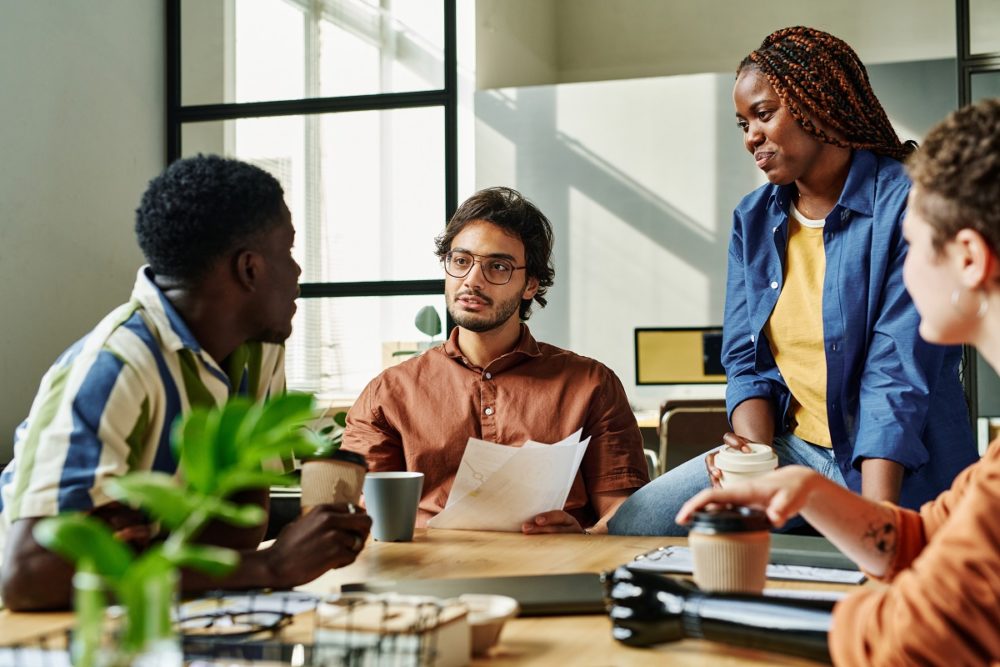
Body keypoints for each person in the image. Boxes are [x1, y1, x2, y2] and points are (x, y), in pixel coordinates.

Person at [610, 26, 977, 536]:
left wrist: (878, 524)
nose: (750, 137)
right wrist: (757, 463)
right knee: (637, 525)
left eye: (764, 114)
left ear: (819, 105)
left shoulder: (906, 204)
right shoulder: (753, 219)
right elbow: (745, 357)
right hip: (794, 450)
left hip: (898, 464)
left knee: (869, 577)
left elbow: (896, 374)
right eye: (742, 123)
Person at [673, 97, 1000, 666]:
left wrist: (693, 614)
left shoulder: (888, 197)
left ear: (968, 258)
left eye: (916, 244)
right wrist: (810, 489)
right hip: (802, 454)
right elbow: (926, 541)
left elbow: (911, 634)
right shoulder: (992, 475)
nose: (903, 262)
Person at [0, 155, 371, 611]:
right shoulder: (114, 368)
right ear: (250, 269)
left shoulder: (258, 351)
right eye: (289, 252)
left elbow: (238, 529)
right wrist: (271, 567)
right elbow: (29, 579)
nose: (297, 274)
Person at [343, 187, 649, 534]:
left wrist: (584, 539)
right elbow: (359, 516)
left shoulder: (591, 384)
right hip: (429, 578)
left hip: (555, 573)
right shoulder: (388, 393)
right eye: (461, 261)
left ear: (530, 284)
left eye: (498, 267)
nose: (472, 280)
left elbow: (623, 514)